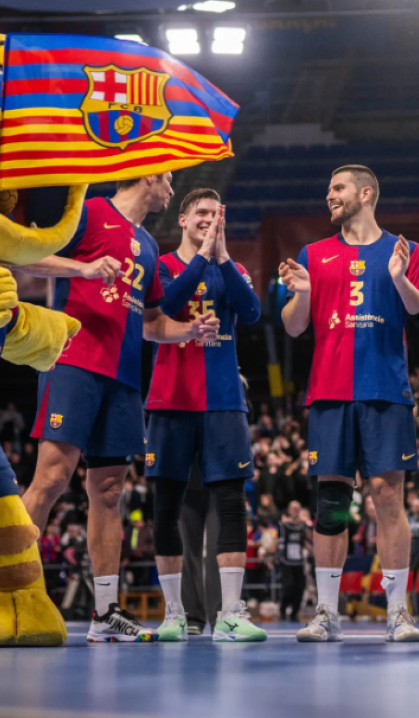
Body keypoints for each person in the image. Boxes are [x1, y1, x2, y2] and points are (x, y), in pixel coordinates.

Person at [19, 174, 219, 641]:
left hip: (124, 378)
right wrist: (82, 269)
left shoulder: (149, 245)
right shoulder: (87, 211)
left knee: (110, 492)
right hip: (73, 362)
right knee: (50, 479)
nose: (172, 189)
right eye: (168, 179)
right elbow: (26, 255)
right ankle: (10, 590)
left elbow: (151, 321)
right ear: (149, 176)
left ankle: (105, 612)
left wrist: (188, 331)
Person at [277, 165, 419, 643]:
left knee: (388, 500)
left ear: (365, 193)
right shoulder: (313, 255)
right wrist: (302, 295)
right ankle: (326, 613)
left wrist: (399, 278)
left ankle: (398, 612)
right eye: (328, 188)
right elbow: (292, 326)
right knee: (330, 505)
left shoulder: (403, 251)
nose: (329, 196)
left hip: (385, 391)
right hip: (329, 394)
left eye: (338, 188)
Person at [143, 189, 264, 641]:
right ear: (183, 218)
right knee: (167, 505)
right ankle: (175, 613)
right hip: (171, 399)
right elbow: (168, 306)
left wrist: (224, 255)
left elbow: (251, 311)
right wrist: (201, 261)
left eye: (216, 215)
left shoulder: (230, 269)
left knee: (232, 503)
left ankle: (231, 611)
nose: (209, 220)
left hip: (223, 401)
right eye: (202, 213)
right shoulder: (162, 266)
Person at [277, 501, 310, 623]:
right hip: (286, 560)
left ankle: (294, 613)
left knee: (300, 588)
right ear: (289, 510)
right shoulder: (283, 525)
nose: (296, 511)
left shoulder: (303, 526)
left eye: (298, 509)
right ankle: (283, 609)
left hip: (299, 561)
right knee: (288, 587)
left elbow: (307, 539)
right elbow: (277, 541)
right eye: (293, 509)